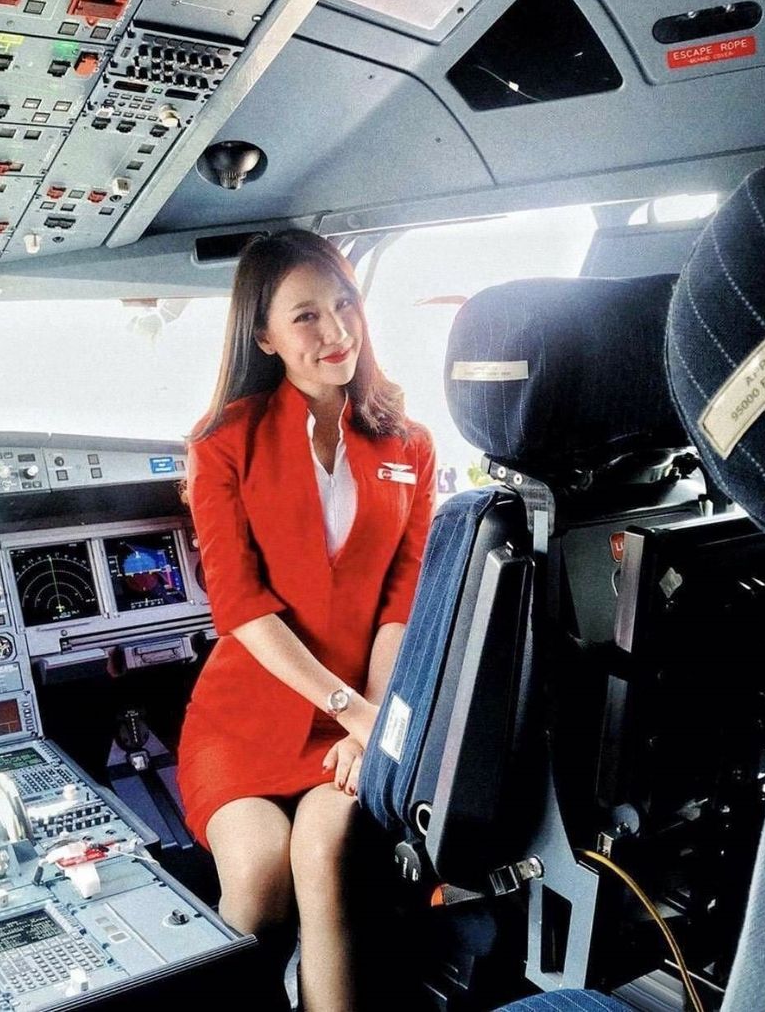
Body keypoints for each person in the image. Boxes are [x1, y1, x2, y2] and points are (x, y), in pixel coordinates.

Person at [177, 229, 436, 1012]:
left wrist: (373, 723)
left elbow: (401, 606)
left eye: (344, 304)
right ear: (264, 337)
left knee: (322, 853)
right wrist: (352, 709)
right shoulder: (222, 444)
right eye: (306, 316)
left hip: (354, 723)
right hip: (242, 721)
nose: (336, 330)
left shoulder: (410, 445)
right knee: (259, 877)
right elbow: (239, 606)